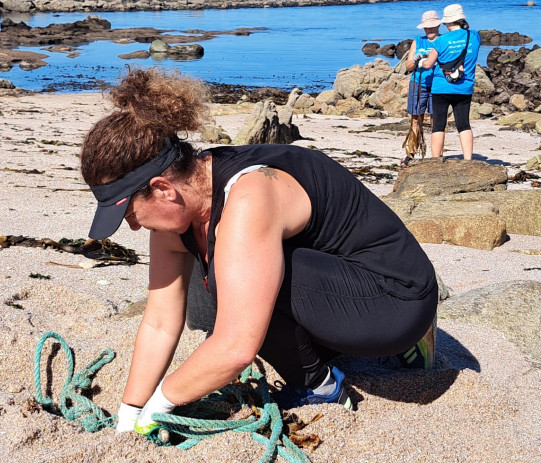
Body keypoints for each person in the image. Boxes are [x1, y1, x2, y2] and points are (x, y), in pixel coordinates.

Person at [80, 68, 438, 436]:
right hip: (342, 287)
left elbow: (236, 348)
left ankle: (324, 389)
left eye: (128, 214)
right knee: (230, 285)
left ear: (162, 189)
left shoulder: (248, 195)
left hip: (400, 298)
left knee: (235, 285)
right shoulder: (180, 208)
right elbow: (159, 321)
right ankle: (348, 350)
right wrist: (130, 412)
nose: (134, 227)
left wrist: (162, 404)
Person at [420, 3, 481, 160]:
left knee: (439, 125)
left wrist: (420, 60)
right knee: (464, 124)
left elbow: (428, 65)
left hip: (441, 87)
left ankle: (435, 160)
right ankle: (468, 159)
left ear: (446, 22)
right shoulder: (474, 36)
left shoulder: (441, 41)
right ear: (461, 19)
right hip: (464, 86)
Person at [401, 10, 441, 167]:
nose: (429, 30)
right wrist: (417, 59)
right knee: (416, 120)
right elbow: (408, 66)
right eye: (426, 27)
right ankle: (410, 154)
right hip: (418, 84)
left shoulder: (444, 40)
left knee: (436, 120)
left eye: (432, 27)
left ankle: (436, 155)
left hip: (438, 85)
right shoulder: (418, 41)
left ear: (438, 25)